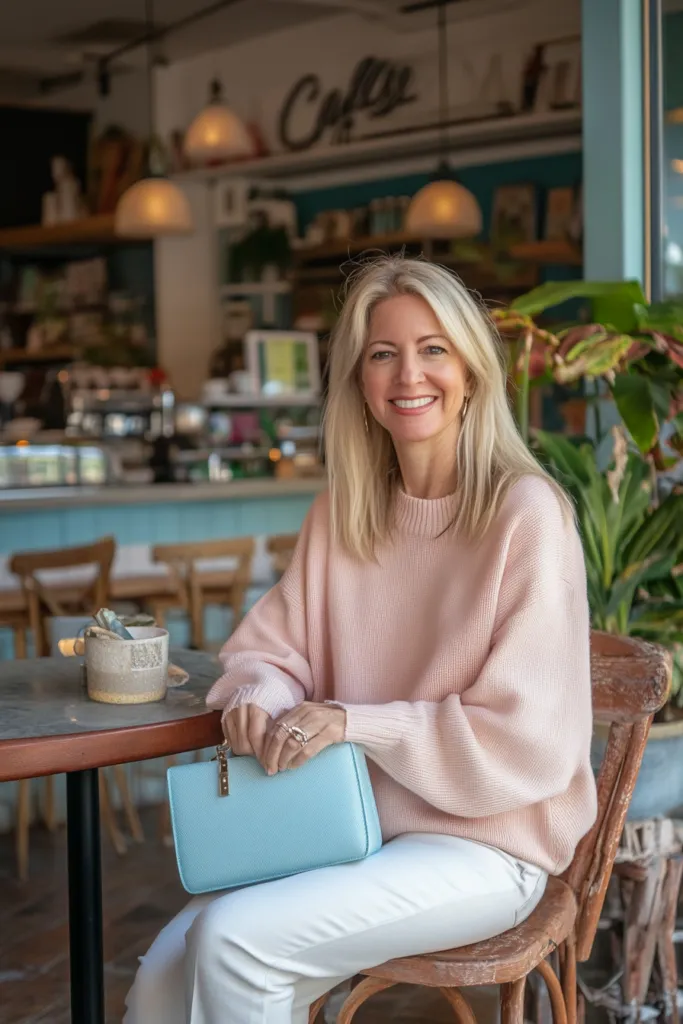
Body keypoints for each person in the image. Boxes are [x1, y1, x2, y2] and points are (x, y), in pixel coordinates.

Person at [125, 255, 597, 1024]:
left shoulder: (525, 515)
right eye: (383, 353)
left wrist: (352, 721)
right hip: (348, 831)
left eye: (432, 348)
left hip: (488, 848)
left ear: (472, 372)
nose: (408, 373)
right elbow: (268, 654)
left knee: (235, 943)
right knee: (159, 980)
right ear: (360, 382)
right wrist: (257, 696)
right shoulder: (343, 514)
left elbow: (526, 740)